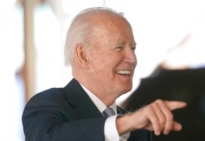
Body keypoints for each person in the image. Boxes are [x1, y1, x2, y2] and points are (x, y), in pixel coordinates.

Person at [22, 7, 187, 141]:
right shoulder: (47, 105)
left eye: (133, 48)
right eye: (118, 47)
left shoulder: (138, 129)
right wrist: (125, 124)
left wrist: (129, 123)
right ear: (83, 55)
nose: (132, 58)